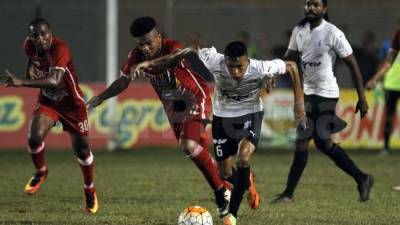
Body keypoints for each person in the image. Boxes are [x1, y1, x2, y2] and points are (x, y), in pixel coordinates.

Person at [130, 40, 306, 225]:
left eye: (240, 66)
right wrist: (147, 64)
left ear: (248, 61)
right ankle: (248, 181)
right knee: (224, 174)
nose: (235, 72)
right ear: (225, 62)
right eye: (231, 67)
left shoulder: (261, 67)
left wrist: (299, 107)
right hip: (223, 116)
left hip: (251, 113)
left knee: (243, 157)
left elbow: (292, 67)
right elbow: (190, 48)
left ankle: (232, 216)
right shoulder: (214, 60)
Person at [85, 16, 230, 217]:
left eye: (148, 42)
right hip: (175, 109)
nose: (144, 48)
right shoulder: (136, 55)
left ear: (159, 37)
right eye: (140, 44)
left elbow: (172, 59)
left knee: (189, 145)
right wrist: (99, 98)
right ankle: (235, 183)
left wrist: (145, 65)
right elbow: (123, 81)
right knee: (201, 152)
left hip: (195, 97)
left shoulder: (172, 46)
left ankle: (222, 195)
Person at [271, 0, 374, 204]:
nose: (311, 8)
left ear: (324, 9)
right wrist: (273, 71)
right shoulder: (299, 31)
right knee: (319, 143)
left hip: (326, 94)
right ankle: (362, 178)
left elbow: (352, 64)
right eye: (308, 4)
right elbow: (289, 57)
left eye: (316, 4)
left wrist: (362, 98)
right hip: (307, 93)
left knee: (308, 141)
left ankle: (289, 194)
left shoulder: (332, 32)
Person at [2, 18, 98, 213]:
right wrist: (29, 72)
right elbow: (33, 61)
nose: (40, 38)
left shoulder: (61, 49)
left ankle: (89, 190)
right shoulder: (28, 46)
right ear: (30, 37)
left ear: (51, 34)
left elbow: (55, 80)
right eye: (35, 35)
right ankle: (41, 171)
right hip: (49, 101)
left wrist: (22, 82)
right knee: (33, 137)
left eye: (44, 34)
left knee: (82, 151)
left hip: (72, 105)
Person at [366, 23, 400, 157]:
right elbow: (388, 63)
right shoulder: (397, 35)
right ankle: (386, 147)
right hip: (392, 83)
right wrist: (375, 79)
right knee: (389, 116)